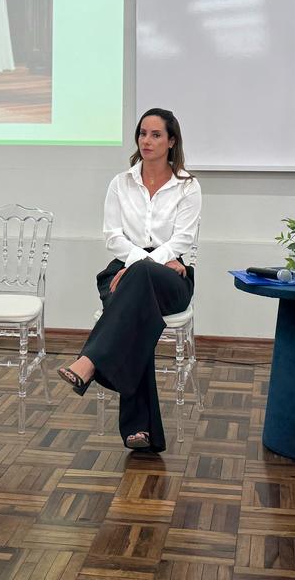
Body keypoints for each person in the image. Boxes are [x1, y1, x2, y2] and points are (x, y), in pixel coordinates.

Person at [57, 108, 202, 452]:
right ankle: (142, 432)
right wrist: (140, 265)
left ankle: (90, 361)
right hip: (124, 270)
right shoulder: (120, 183)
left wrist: (139, 266)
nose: (147, 141)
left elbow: (182, 240)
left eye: (155, 135)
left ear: (171, 141)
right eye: (142, 134)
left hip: (172, 276)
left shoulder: (188, 186)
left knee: (137, 291)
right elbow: (112, 235)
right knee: (140, 320)